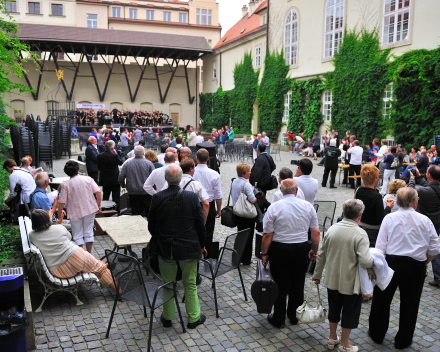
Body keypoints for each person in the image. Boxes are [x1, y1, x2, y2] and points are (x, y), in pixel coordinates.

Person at [368, 187, 439, 349]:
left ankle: (377, 334)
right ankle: (404, 340)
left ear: (398, 202)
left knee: (381, 301)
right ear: (414, 202)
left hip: (391, 264)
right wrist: (426, 261)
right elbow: (435, 248)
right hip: (415, 266)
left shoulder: (389, 219)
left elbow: (380, 247)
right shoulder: (425, 220)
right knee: (410, 305)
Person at [148, 164, 206, 329]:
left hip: (166, 247)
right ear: (180, 179)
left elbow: (152, 226)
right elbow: (200, 225)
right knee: (190, 282)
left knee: (168, 283)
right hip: (189, 246)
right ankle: (193, 318)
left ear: (166, 179)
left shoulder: (157, 197)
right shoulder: (192, 197)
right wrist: (201, 246)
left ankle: (168, 317)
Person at [313, 199, 373, 352]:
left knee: (334, 308)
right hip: (351, 281)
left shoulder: (332, 229)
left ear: (343, 213)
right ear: (359, 216)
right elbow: (366, 261)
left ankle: (332, 338)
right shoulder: (360, 234)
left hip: (332, 278)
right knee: (350, 312)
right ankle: (345, 345)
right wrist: (375, 260)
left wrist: (317, 274)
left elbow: (322, 255)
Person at [261, 179, 320, 328]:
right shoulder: (308, 206)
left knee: (280, 284)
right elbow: (316, 231)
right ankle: (294, 316)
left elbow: (267, 235)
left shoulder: (274, 207)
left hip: (280, 248)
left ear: (281, 191)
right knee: (298, 283)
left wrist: (263, 253)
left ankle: (279, 318)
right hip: (301, 248)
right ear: (296, 190)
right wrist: (314, 249)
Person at [29, 210, 116, 291]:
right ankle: (119, 292)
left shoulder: (32, 236)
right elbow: (70, 238)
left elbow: (45, 231)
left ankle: (100, 261)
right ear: (46, 219)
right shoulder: (58, 228)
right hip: (75, 259)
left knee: (84, 255)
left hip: (59, 271)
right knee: (101, 269)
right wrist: (57, 223)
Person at [58, 161, 102, 253]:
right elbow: (98, 192)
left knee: (77, 234)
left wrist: (59, 215)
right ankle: (89, 254)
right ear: (78, 170)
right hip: (90, 209)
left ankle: (81, 256)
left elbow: (61, 202)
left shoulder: (66, 184)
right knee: (89, 232)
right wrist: (98, 205)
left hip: (74, 213)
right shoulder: (88, 179)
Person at [408, 165, 440, 287]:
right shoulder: (429, 188)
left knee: (418, 246)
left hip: (423, 224)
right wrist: (419, 177)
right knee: (434, 246)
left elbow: (409, 193)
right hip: (437, 222)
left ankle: (417, 272)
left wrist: (412, 179)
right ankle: (438, 276)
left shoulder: (422, 191)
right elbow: (430, 186)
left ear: (429, 175)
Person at [194, 149, 222, 260]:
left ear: (197, 159)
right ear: (208, 159)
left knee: (194, 229)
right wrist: (219, 209)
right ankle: (207, 255)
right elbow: (218, 195)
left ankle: (195, 253)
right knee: (208, 231)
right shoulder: (214, 174)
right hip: (209, 204)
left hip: (194, 204)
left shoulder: (192, 172)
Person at [355, 164, 393, 247]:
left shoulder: (358, 190)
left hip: (359, 227)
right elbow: (381, 219)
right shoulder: (376, 196)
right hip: (372, 232)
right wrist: (388, 207)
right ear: (376, 178)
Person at [162, 157, 209, 223]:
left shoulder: (169, 182)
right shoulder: (196, 184)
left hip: (172, 218)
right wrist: (203, 223)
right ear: (191, 169)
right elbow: (206, 204)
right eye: (194, 167)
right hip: (190, 218)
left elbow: (162, 197)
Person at [231, 164, 257, 265]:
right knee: (248, 236)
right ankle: (246, 259)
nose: (250, 172)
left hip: (237, 212)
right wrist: (257, 198)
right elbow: (252, 199)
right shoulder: (246, 184)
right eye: (248, 171)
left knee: (240, 235)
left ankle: (236, 258)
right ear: (243, 173)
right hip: (246, 214)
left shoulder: (233, 181)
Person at [118, 146, 154, 217]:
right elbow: (153, 177)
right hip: (146, 192)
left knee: (136, 213)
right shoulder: (149, 163)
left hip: (133, 192)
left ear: (134, 153)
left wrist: (122, 184)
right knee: (149, 212)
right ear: (143, 153)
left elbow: (121, 176)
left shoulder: (127, 163)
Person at [97, 140, 123, 211]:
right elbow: (121, 163)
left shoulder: (99, 156)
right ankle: (117, 210)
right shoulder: (114, 156)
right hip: (114, 178)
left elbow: (99, 167)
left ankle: (105, 209)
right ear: (112, 147)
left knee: (106, 195)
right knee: (116, 196)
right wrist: (117, 154)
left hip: (104, 178)